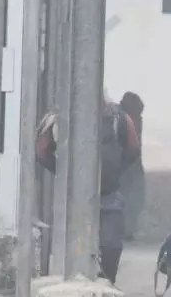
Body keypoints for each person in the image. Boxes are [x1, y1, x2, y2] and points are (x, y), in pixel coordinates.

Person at [36, 93, 141, 284]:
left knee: (110, 246)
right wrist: (63, 172)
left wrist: (114, 170)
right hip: (75, 198)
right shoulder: (57, 119)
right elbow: (42, 151)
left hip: (107, 195)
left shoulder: (118, 118)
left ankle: (106, 284)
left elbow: (133, 148)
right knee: (82, 246)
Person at [119, 92, 145, 243]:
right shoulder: (124, 120)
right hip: (126, 164)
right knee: (128, 196)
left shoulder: (131, 120)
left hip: (131, 164)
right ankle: (125, 229)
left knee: (133, 197)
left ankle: (127, 229)